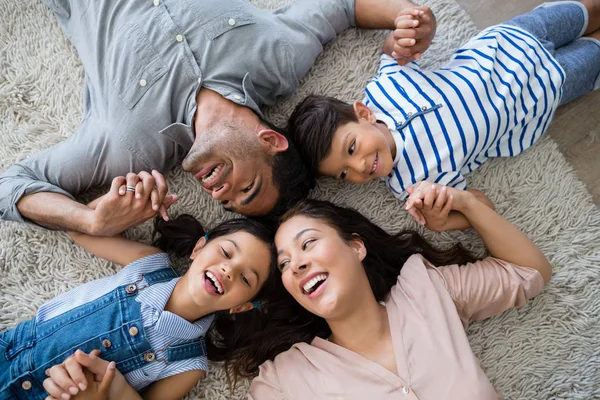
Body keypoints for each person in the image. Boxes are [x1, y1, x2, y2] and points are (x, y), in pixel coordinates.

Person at [0, 0, 437, 236]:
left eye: (226, 202)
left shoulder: (128, 146)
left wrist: (90, 221)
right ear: (271, 141)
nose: (217, 192)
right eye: (246, 187)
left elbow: (12, 185)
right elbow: (344, 6)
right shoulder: (279, 59)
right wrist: (410, 17)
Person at [287, 0, 600, 231]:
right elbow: (482, 206)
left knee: (586, 11)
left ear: (363, 113)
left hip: (508, 41)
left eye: (352, 148)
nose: (358, 168)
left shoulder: (384, 89)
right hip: (541, 92)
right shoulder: (415, 185)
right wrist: (442, 219)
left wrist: (405, 33)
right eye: (344, 174)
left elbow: (393, 51)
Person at [242, 184, 553, 399]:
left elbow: (529, 271)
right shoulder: (285, 380)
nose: (295, 265)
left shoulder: (426, 290)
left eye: (308, 243)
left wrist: (466, 205)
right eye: (284, 264)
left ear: (356, 246)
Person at [0, 175, 280, 400]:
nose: (228, 270)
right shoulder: (149, 263)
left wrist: (107, 393)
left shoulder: (189, 365)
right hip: (10, 349)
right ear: (199, 247)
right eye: (227, 253)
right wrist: (129, 198)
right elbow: (80, 228)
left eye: (246, 279)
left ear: (241, 306)